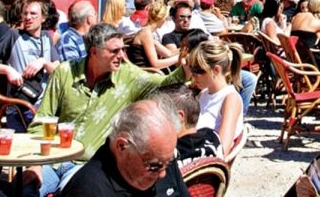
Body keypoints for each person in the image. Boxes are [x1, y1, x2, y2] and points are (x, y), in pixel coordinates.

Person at [32, 23, 186, 195]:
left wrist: (184, 69)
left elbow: (165, 84)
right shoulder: (65, 72)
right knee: (20, 188)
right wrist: (35, 163)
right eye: (114, 51)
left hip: (85, 165)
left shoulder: (128, 76)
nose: (122, 56)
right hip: (52, 159)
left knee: (73, 192)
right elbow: (42, 119)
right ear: (94, 52)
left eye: (123, 49)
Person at [58, 99, 190, 197]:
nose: (163, 174)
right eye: (154, 166)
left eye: (171, 160)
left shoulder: (162, 157)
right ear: (122, 147)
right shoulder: (88, 191)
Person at [186, 37, 244, 156]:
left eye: (198, 70)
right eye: (191, 69)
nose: (193, 75)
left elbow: (222, 148)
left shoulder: (230, 99)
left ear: (216, 70)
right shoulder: (203, 93)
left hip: (204, 163)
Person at [152, 85, 221, 171]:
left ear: (179, 116)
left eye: (157, 114)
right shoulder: (213, 137)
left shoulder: (169, 153)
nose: (153, 119)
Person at [129, 1, 179, 70]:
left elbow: (169, 54)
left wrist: (186, 50)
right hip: (144, 73)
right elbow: (156, 64)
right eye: (166, 18)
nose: (166, 21)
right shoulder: (146, 34)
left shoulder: (147, 33)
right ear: (161, 19)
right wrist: (178, 58)